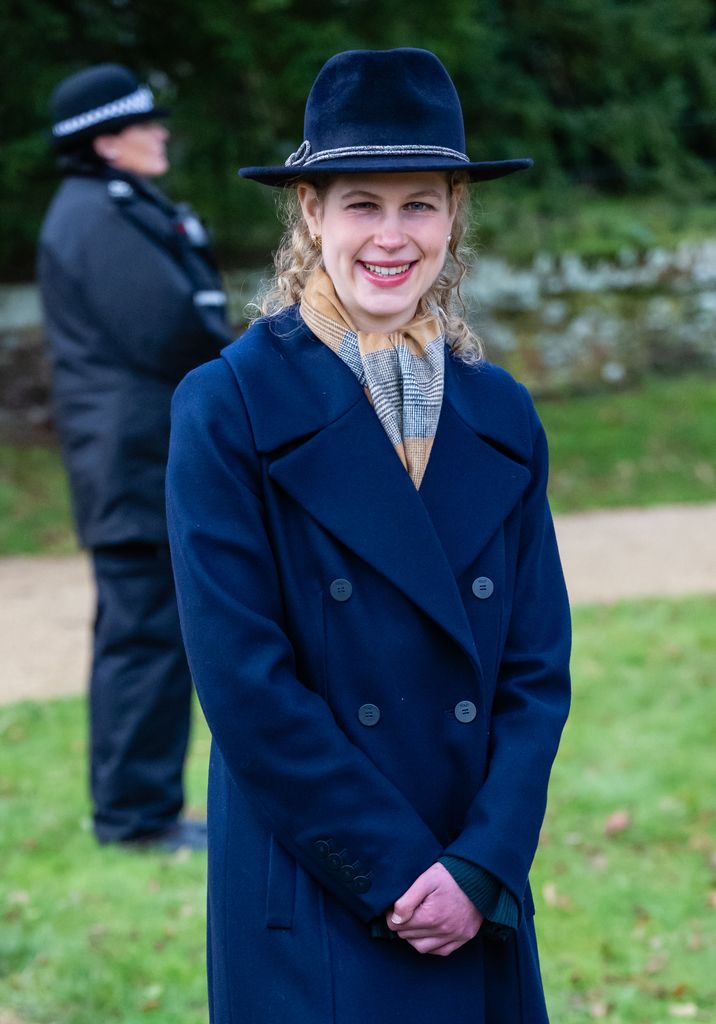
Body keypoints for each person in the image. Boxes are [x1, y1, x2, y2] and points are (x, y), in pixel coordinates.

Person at [167, 48, 571, 1022]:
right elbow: (244, 683)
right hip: (321, 888)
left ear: (452, 216)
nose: (390, 236)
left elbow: (533, 670)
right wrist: (392, 871)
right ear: (309, 212)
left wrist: (480, 864)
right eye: (360, 203)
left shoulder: (501, 413)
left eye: (418, 204)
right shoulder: (228, 407)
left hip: (469, 883)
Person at [38, 64, 233, 850]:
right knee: (144, 636)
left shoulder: (114, 207)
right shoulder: (93, 216)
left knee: (150, 632)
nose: (160, 134)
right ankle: (134, 818)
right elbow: (168, 329)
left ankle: (140, 810)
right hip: (132, 461)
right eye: (144, 124)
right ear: (107, 141)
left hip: (139, 456)